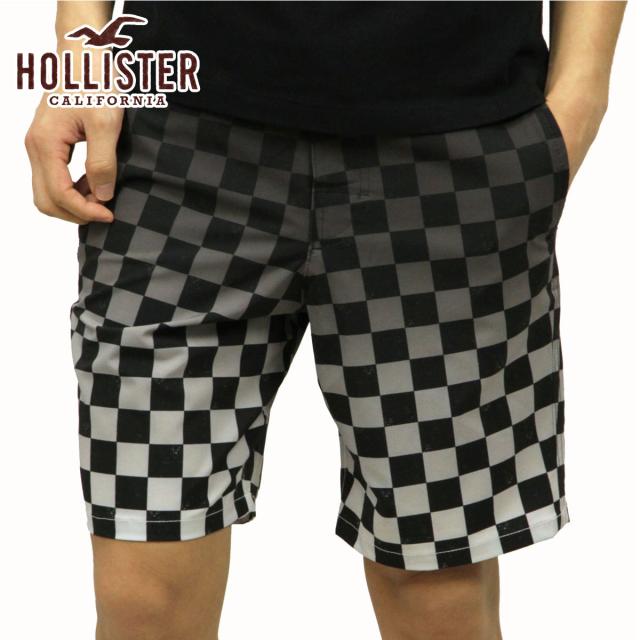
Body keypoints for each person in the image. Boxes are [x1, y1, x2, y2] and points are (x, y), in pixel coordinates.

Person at [24, 2, 626, 639]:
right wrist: (81, 57)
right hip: (179, 145)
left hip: (453, 148)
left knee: (436, 594)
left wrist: (581, 97)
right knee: (143, 595)